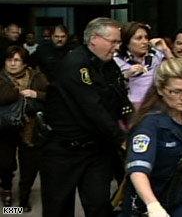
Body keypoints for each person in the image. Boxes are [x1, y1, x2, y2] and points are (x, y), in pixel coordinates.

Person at [39, 17, 132, 217]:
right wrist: (122, 139)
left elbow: (121, 99)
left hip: (96, 150)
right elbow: (93, 109)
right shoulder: (75, 64)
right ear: (95, 38)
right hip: (64, 151)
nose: (117, 47)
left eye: (119, 42)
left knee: (99, 206)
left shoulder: (109, 65)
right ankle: (14, 208)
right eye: (113, 42)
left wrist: (134, 123)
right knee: (58, 209)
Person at [122, 58, 182, 217]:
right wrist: (153, 205)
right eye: (175, 91)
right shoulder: (149, 125)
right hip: (151, 196)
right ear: (161, 90)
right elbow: (138, 169)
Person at [0, 45, 48, 211]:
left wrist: (36, 94)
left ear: (25, 63)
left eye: (17, 60)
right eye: (9, 60)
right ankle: (6, 190)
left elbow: (52, 94)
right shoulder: (1, 77)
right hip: (4, 128)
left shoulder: (36, 77)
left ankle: (23, 199)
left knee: (29, 167)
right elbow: (4, 96)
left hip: (30, 127)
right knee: (5, 164)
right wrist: (21, 93)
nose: (12, 64)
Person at [114, 21, 173, 109]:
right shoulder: (117, 60)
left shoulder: (156, 54)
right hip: (131, 106)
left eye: (146, 37)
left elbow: (178, 70)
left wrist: (166, 50)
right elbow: (112, 86)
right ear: (127, 42)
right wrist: (126, 75)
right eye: (139, 38)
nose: (144, 41)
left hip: (157, 104)